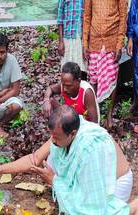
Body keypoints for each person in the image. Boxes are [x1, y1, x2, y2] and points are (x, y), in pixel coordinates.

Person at [0, 105, 138, 215]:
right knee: (52, 158)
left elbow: (90, 200)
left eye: (56, 138)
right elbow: (34, 159)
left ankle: (130, 210)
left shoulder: (90, 149)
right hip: (91, 184)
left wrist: (54, 181)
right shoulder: (64, 132)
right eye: (51, 136)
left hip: (112, 187)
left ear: (73, 133)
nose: (52, 141)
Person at [83, 0, 128, 128]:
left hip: (111, 43)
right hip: (94, 42)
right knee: (93, 79)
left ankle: (108, 114)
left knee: (111, 80)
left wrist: (119, 45)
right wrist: (85, 44)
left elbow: (123, 17)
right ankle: (94, 115)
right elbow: (87, 17)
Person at [57, 0, 87, 79]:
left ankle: (81, 89)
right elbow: (60, 19)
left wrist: (86, 42)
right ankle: (67, 90)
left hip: (82, 38)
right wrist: (60, 42)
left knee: (81, 69)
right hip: (68, 38)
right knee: (67, 69)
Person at [127, 0, 138, 112]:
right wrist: (130, 37)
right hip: (136, 40)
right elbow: (132, 15)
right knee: (136, 72)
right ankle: (136, 101)